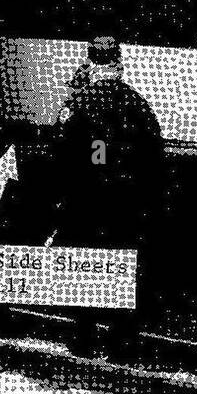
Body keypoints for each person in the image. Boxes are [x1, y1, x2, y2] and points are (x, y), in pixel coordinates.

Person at [49, 36, 165, 356]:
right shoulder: (138, 104)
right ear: (118, 62)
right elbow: (154, 157)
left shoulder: (80, 103)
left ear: (90, 61)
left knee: (86, 263)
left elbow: (61, 150)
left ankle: (84, 336)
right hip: (127, 202)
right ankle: (120, 339)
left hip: (86, 201)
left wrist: (62, 198)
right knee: (122, 267)